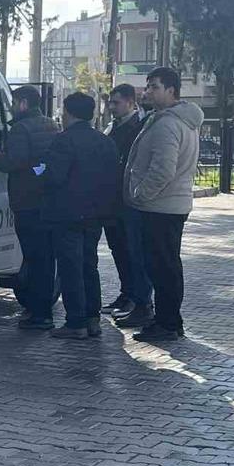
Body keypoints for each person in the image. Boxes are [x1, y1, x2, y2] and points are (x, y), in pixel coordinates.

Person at [124, 67, 201, 342]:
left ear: (171, 90)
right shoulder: (175, 120)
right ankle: (170, 321)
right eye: (148, 86)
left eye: (154, 87)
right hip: (168, 205)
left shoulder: (168, 123)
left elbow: (163, 170)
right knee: (167, 266)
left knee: (162, 268)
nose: (148, 92)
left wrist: (140, 194)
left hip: (160, 207)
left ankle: (167, 324)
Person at [41, 92, 120, 340]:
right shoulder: (105, 141)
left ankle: (75, 321)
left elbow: (54, 177)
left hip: (68, 214)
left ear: (69, 113)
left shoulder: (63, 141)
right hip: (96, 213)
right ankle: (92, 318)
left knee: (70, 268)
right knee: (89, 266)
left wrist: (40, 172)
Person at [0, 85, 59, 329]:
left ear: (24, 103)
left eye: (14, 103)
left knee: (33, 257)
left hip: (26, 201)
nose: (12, 107)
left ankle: (39, 315)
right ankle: (43, 309)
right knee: (46, 258)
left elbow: (12, 163)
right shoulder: (51, 124)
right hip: (47, 200)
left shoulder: (20, 129)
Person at [101, 85, 153, 326]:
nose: (112, 107)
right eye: (110, 103)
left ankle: (138, 299)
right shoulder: (113, 127)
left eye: (117, 103)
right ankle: (127, 293)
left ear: (131, 103)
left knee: (133, 252)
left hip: (128, 200)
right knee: (118, 249)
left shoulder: (138, 128)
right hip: (112, 199)